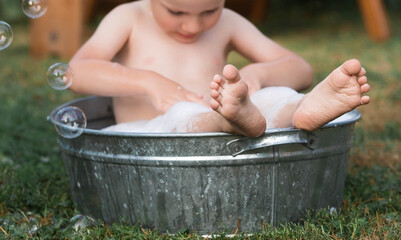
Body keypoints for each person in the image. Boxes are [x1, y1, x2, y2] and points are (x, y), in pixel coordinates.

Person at [68, 0, 370, 138]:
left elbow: (300, 69)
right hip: (151, 133)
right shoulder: (129, 17)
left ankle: (301, 108)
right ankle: (228, 120)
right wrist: (149, 82)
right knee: (183, 115)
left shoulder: (228, 21)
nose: (193, 25)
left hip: (233, 129)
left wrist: (258, 75)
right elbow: (77, 71)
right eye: (176, 11)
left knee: (271, 97)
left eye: (209, 11)